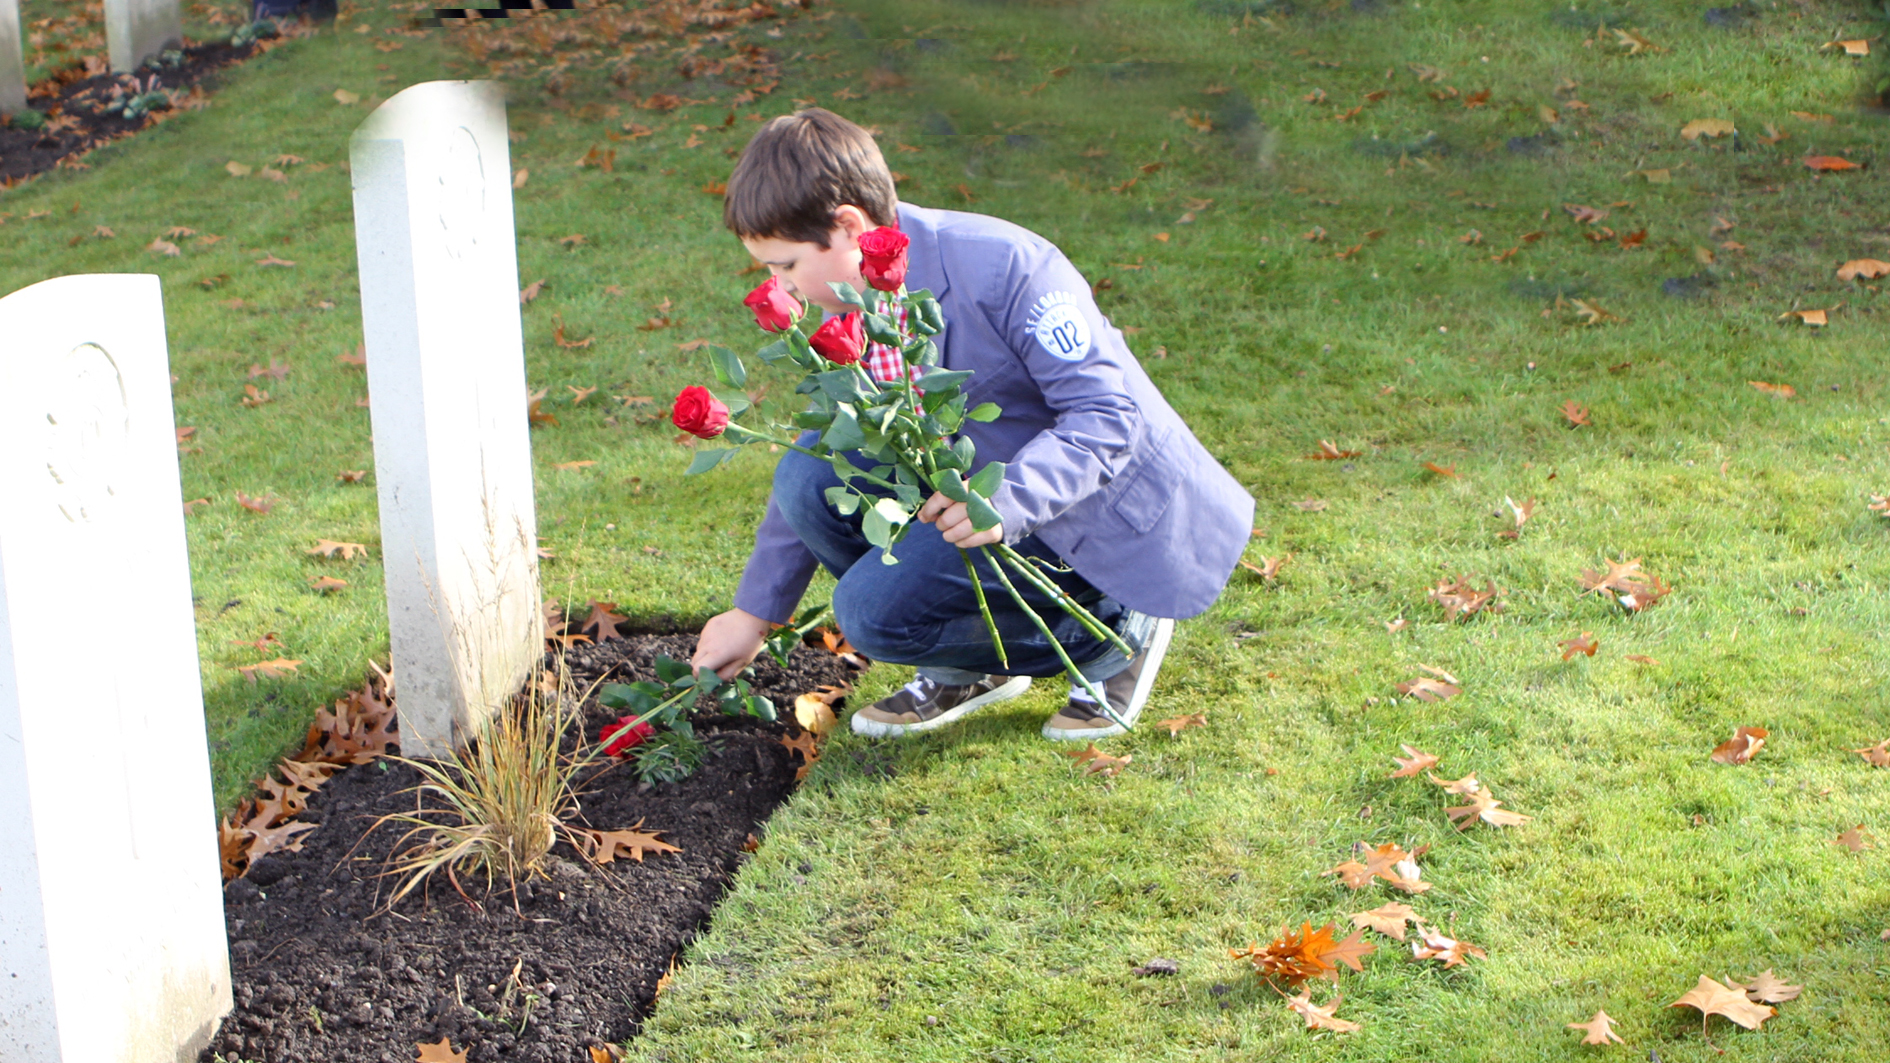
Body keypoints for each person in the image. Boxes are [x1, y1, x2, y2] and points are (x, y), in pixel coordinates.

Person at [689, 108, 1253, 740]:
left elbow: (1107, 417)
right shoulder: (849, 301)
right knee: (808, 473)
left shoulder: (1006, 265)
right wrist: (755, 611)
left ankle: (1116, 633)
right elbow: (831, 447)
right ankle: (966, 663)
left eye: (785, 266)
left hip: (1076, 505)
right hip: (967, 488)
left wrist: (1003, 501)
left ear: (848, 226)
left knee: (867, 615)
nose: (780, 286)